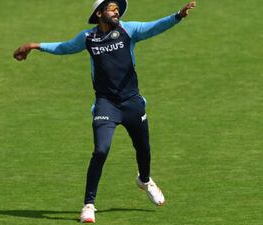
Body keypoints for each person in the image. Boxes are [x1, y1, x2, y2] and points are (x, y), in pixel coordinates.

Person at [13, 0, 196, 223]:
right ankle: (89, 205)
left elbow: (154, 27)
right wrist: (35, 45)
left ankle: (145, 180)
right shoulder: (88, 38)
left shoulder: (129, 30)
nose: (116, 11)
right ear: (99, 13)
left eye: (117, 9)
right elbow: (65, 47)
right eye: (111, 8)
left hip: (132, 102)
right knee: (101, 150)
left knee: (143, 148)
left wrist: (178, 15)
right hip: (106, 104)